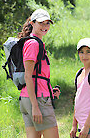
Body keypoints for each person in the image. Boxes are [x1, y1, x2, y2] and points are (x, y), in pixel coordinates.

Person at [18, 8, 60, 138]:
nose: (45, 26)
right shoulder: (33, 44)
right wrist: (35, 106)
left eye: (47, 23)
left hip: (28, 98)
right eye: (41, 23)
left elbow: (37, 76)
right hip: (37, 100)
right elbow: (28, 76)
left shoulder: (34, 42)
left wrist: (49, 91)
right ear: (32, 23)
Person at [70, 38, 90, 138]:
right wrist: (74, 125)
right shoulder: (79, 73)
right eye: (81, 52)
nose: (84, 55)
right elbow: (77, 100)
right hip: (81, 123)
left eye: (88, 52)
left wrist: (86, 126)